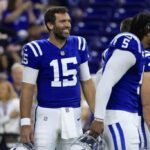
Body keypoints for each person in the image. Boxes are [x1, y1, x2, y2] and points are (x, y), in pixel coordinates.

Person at [20, 6, 95, 150]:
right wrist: (25, 123)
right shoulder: (35, 49)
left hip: (74, 114)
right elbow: (27, 89)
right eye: (62, 21)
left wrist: (98, 116)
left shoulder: (79, 44)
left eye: (68, 21)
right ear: (50, 25)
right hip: (47, 115)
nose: (67, 24)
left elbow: (87, 82)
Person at [90, 12, 150, 150]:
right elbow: (106, 80)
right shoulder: (130, 41)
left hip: (127, 117)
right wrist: (98, 117)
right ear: (147, 29)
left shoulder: (138, 50)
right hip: (120, 117)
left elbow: (99, 79)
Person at [120, 16, 150, 150]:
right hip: (140, 121)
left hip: (120, 117)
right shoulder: (146, 57)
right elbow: (147, 104)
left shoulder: (110, 55)